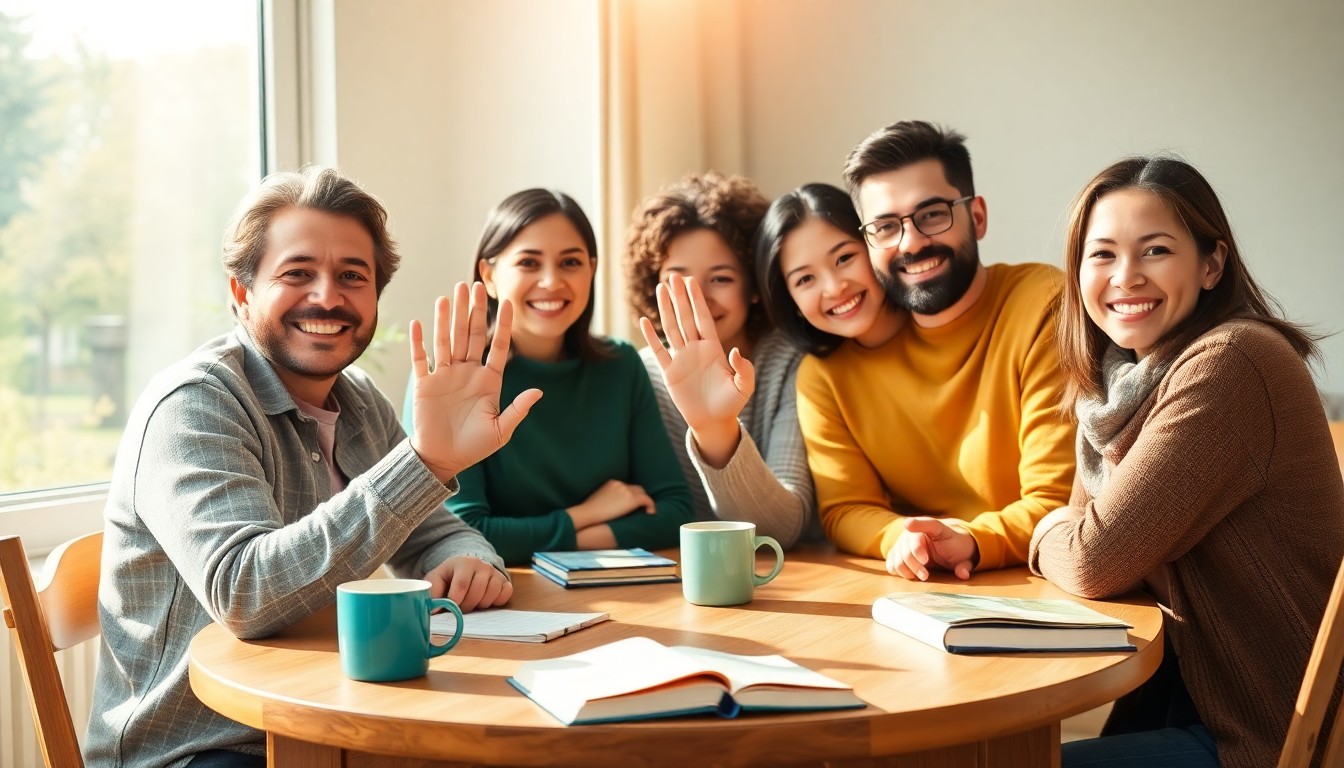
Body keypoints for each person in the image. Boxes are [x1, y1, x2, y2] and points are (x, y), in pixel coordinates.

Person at [86, 167, 540, 768]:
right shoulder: (194, 403)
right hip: (202, 748)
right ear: (242, 291)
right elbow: (245, 593)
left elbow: (435, 529)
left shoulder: (359, 399)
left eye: (353, 276)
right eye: (297, 273)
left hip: (333, 719)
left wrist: (468, 563)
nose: (328, 297)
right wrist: (425, 461)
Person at [1030, 156, 1344, 768]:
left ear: (1211, 265)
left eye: (1154, 251)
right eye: (1102, 255)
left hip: (1267, 735)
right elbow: (1096, 542)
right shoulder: (1116, 384)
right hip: (1186, 700)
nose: (1126, 277)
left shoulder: (1231, 363)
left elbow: (1092, 557)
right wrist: (1067, 535)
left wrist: (1041, 531)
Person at [794, 119, 1075, 580]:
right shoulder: (832, 371)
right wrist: (907, 537)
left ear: (977, 216)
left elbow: (1056, 500)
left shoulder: (1043, 305)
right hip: (924, 589)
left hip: (1042, 585)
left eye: (932, 214)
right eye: (885, 227)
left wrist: (971, 540)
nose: (911, 242)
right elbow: (845, 509)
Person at [406, 189, 693, 566]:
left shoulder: (621, 365)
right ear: (488, 276)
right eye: (528, 262)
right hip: (509, 605)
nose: (551, 282)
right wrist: (585, 515)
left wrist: (562, 538)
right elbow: (463, 535)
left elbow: (675, 514)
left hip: (623, 593)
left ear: (591, 269)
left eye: (571, 263)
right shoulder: (452, 380)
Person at [624, 172, 818, 547]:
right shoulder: (641, 372)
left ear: (756, 287)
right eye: (677, 280)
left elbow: (782, 529)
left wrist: (716, 427)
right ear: (652, 286)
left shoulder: (792, 362)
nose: (698, 297)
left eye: (721, 279)